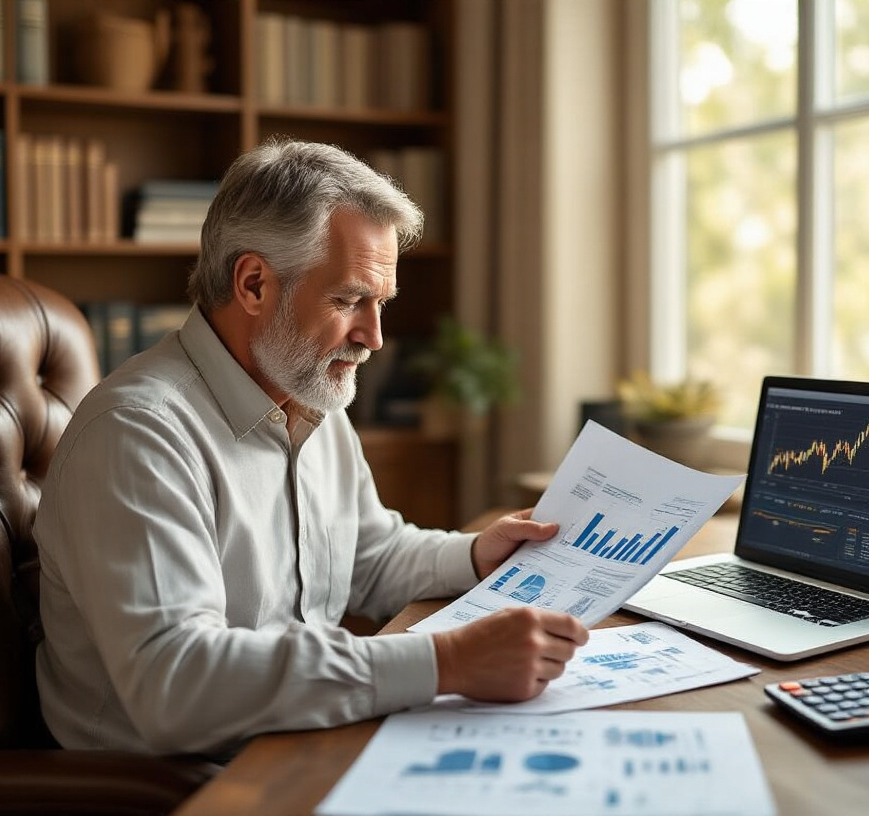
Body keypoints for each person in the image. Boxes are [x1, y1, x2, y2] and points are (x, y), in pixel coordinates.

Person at [34, 138, 589, 758]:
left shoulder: (308, 393)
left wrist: (478, 555)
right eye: (348, 300)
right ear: (253, 284)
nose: (374, 337)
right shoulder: (138, 433)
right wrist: (447, 662)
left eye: (380, 304)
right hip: (176, 781)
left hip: (295, 739)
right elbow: (178, 683)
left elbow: (369, 556)